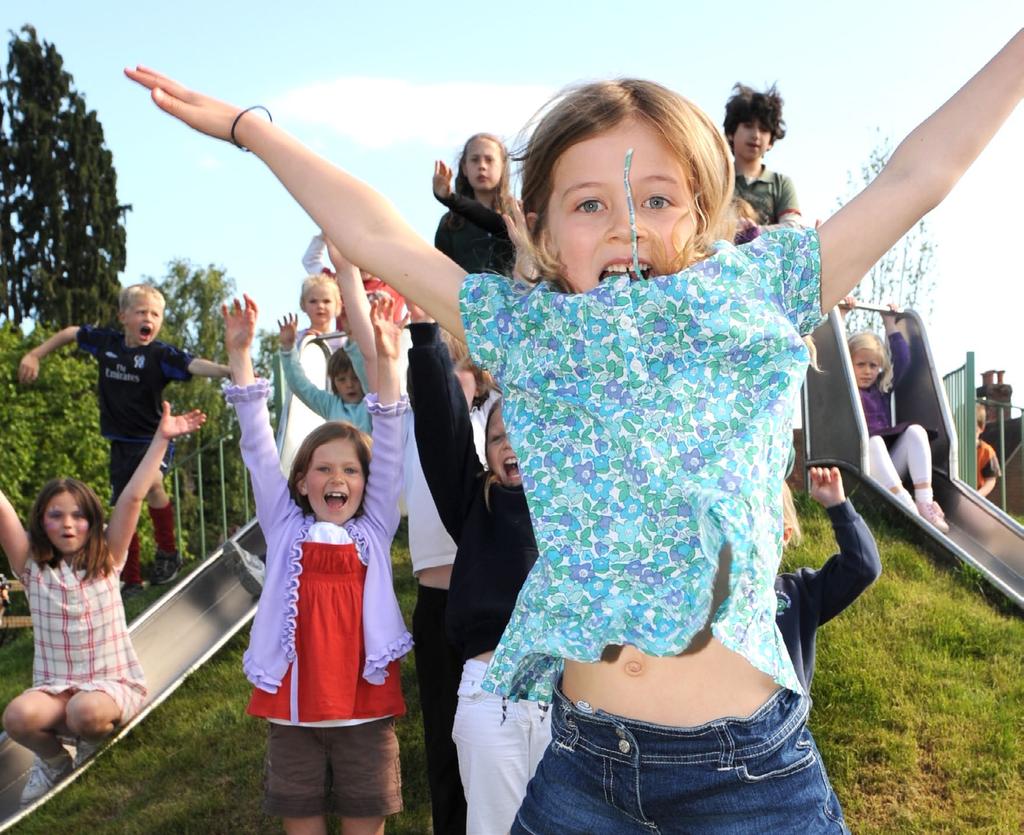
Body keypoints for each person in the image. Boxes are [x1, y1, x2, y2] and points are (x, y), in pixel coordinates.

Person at [127, 35, 1024, 830]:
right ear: (545, 232)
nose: (629, 221)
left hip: (749, 778)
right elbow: (376, 232)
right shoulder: (530, 328)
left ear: (707, 214)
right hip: (585, 766)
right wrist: (253, 128)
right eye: (590, 204)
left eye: (661, 198)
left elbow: (918, 176)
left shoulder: (759, 293)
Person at [222, 292, 410, 835]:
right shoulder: (285, 528)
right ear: (302, 481)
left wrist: (391, 362)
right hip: (293, 709)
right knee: (301, 820)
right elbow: (258, 449)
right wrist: (241, 358)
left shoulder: (374, 528)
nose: (337, 480)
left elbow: (392, 445)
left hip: (364, 709)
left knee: (364, 822)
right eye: (322, 469)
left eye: (350, 471)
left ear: (366, 483)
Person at [1, 403, 205, 805]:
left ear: (93, 521)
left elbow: (132, 498)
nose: (68, 524)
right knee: (17, 717)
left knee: (85, 713)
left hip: (109, 688)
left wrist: (161, 439)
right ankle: (55, 762)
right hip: (55, 691)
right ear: (41, 522)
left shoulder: (108, 560)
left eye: (78, 515)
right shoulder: (31, 567)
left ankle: (94, 744)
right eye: (55, 516)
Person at [409, 321, 546, 835]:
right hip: (493, 697)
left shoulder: (576, 506)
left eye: (524, 433)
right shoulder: (475, 503)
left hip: (572, 695)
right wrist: (427, 343)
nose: (510, 445)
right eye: (497, 437)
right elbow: (442, 434)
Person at [17, 283, 229, 594]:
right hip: (121, 443)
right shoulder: (107, 344)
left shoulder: (160, 355)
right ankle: (130, 579)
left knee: (151, 484)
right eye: (142, 311)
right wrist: (35, 354)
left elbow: (192, 364)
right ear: (123, 316)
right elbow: (71, 333)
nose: (149, 318)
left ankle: (168, 554)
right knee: (123, 507)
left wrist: (227, 370)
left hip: (155, 439)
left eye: (155, 314)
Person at [777, 469, 881, 694]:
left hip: (784, 724)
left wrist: (838, 506)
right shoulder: (705, 594)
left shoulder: (798, 594)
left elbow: (862, 567)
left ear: (784, 535)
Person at [847, 304, 949, 531]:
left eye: (873, 365)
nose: (867, 371)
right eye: (860, 364)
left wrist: (890, 323)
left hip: (888, 468)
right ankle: (904, 503)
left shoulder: (881, 390)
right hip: (860, 466)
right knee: (872, 441)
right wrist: (842, 316)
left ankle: (924, 501)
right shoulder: (845, 388)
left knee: (915, 431)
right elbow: (836, 359)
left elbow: (902, 360)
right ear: (849, 364)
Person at [275, 273, 343, 474]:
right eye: (313, 301)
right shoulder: (302, 340)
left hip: (336, 408)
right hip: (307, 411)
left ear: (338, 305)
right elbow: (293, 367)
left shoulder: (343, 340)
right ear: (303, 305)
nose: (320, 306)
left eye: (326, 301)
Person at [433, 134, 517, 275]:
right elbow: (440, 274)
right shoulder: (450, 223)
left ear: (503, 166)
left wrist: (451, 198)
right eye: (475, 160)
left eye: (489, 160)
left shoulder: (518, 216)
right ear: (465, 168)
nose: (482, 166)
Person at [723, 83, 802, 228]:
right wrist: (732, 229)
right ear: (731, 133)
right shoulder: (715, 180)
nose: (756, 135)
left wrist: (755, 233)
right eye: (748, 126)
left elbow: (793, 228)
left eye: (764, 129)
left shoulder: (781, 184)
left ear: (771, 141)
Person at [975, 404, 1001, 498]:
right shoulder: (953, 448)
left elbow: (991, 479)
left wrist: (979, 494)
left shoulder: (986, 451)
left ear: (981, 428)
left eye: (973, 429)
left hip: (976, 497)